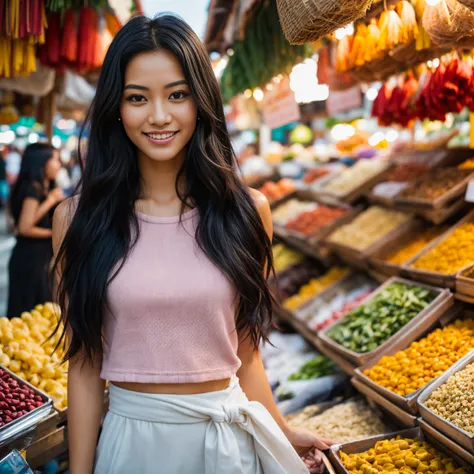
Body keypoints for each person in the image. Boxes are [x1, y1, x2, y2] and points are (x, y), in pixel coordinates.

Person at [52, 14, 333, 474]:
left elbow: (244, 354)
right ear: (115, 108)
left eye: (177, 95)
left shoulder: (248, 211)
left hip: (227, 443)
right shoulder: (78, 219)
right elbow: (83, 366)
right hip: (131, 446)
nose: (159, 116)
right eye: (137, 98)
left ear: (201, 100)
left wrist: (280, 429)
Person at [7, 143, 63, 319]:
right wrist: (50, 201)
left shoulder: (40, 186)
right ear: (42, 162)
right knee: (28, 315)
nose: (58, 164)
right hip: (29, 260)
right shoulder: (33, 187)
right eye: (54, 159)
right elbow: (24, 227)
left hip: (35, 258)